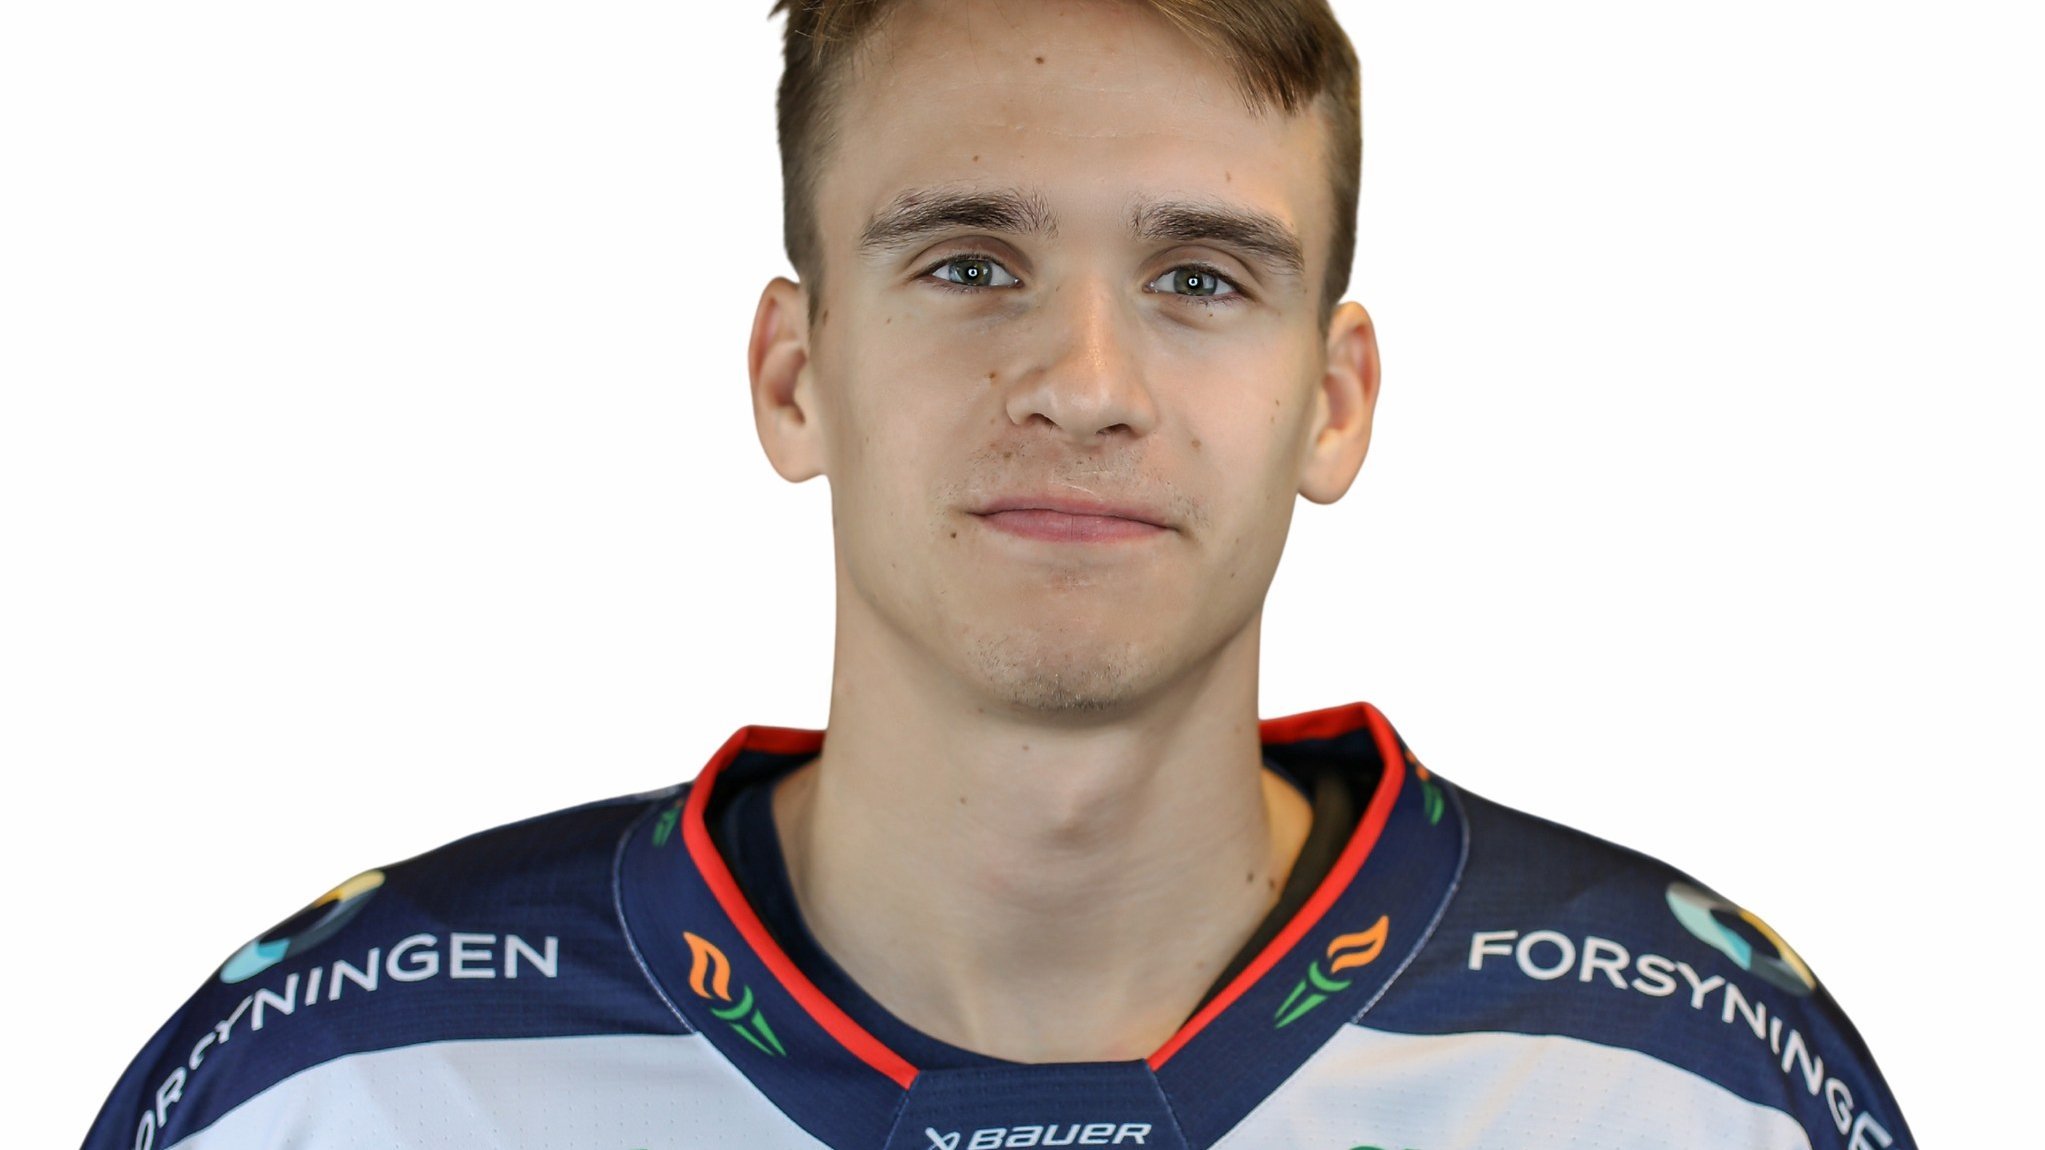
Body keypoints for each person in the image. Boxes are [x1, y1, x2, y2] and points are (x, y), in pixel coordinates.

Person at [84, 1, 1916, 1147]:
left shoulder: (1690, 1082)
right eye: (968, 264)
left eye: (1200, 278)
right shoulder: (340, 1083)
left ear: (1334, 399)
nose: (1084, 383)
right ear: (792, 375)